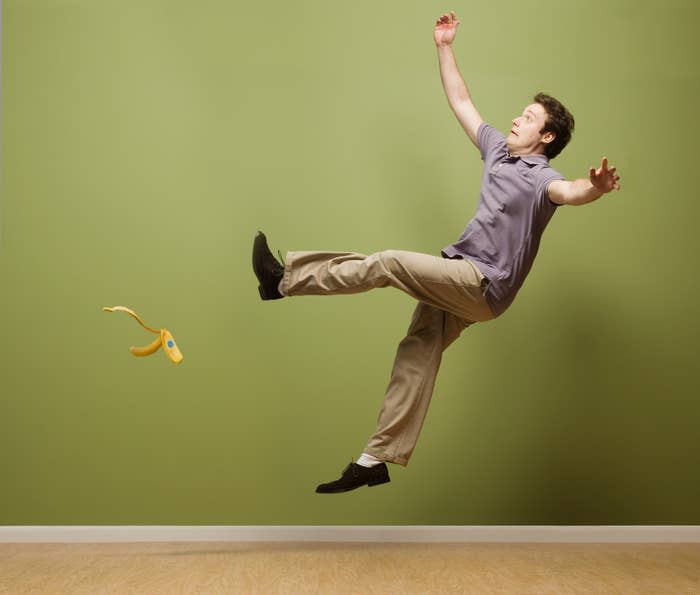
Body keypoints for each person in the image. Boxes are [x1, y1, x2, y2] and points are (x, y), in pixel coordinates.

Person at [252, 11, 621, 494]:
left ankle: (284, 280)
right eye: (521, 112)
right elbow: (462, 101)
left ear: (546, 138)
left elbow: (571, 192)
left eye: (529, 118)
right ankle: (375, 458)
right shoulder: (497, 151)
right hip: (458, 276)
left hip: (482, 284)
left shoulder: (541, 180)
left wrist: (594, 189)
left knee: (388, 262)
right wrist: (444, 46)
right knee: (417, 352)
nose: (516, 117)